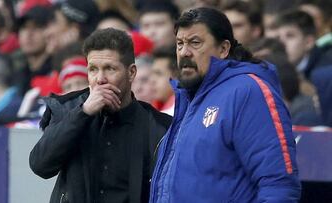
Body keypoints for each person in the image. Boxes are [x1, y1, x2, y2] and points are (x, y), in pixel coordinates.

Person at [149, 8, 301, 203]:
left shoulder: (247, 91)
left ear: (223, 49)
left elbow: (277, 183)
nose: (184, 52)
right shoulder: (188, 99)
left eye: (195, 43)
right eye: (180, 44)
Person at [29, 28, 172, 203]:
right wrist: (83, 113)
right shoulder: (67, 108)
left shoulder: (157, 125)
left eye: (110, 69)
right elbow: (40, 165)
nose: (100, 79)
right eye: (93, 69)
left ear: (131, 72)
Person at [151, 46, 179, 116]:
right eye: (152, 74)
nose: (152, 80)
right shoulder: (154, 109)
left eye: (159, 74)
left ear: (177, 76)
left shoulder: (178, 114)